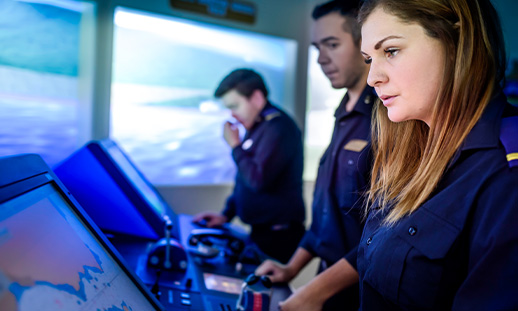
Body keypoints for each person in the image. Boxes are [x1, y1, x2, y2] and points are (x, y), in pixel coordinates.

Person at [357, 0, 518, 309]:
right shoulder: (408, 152)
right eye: (368, 59)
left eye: (390, 51)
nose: (372, 78)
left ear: (455, 41)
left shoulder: (504, 169)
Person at [256, 1, 375, 310]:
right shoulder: (342, 115)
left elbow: (381, 236)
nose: (321, 59)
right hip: (328, 285)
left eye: (332, 45)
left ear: (365, 44)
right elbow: (326, 218)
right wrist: (291, 269)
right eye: (317, 48)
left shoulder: (386, 119)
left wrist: (313, 293)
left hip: (362, 293)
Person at [192, 68, 306, 264]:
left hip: (277, 237)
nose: (233, 115)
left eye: (235, 106)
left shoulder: (278, 127)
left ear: (256, 97)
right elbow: (244, 179)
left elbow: (258, 180)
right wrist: (225, 215)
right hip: (261, 232)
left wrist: (235, 146)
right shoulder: (259, 125)